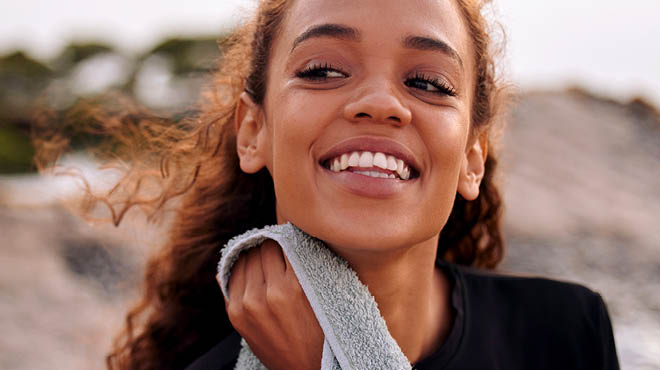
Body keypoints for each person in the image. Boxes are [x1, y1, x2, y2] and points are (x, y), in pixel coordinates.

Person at [95, 0, 620, 369]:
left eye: (428, 83)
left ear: (472, 158)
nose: (382, 103)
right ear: (253, 133)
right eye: (323, 71)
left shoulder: (568, 332)